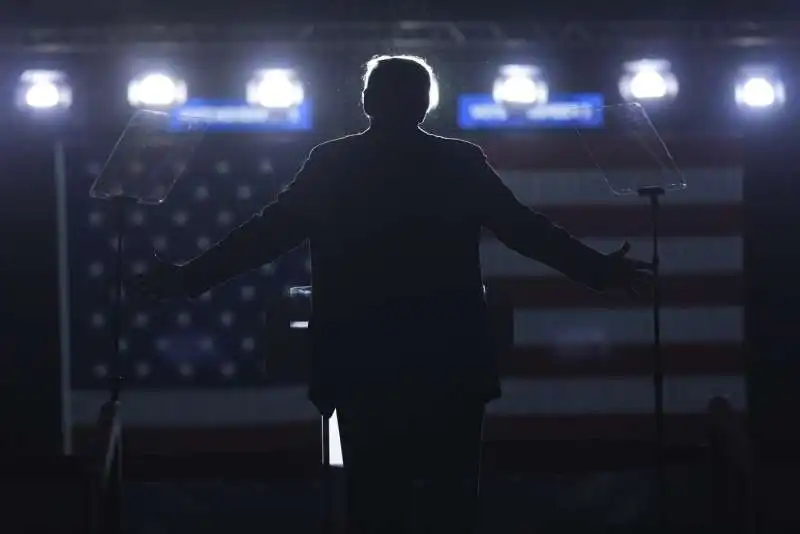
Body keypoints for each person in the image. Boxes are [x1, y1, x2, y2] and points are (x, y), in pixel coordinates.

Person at [136, 55, 651, 534]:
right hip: (449, 364)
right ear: (426, 103)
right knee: (452, 505)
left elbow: (263, 236)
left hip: (363, 365)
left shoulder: (333, 163)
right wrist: (600, 270)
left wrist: (188, 278)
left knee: (374, 504)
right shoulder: (459, 162)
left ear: (366, 103)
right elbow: (526, 230)